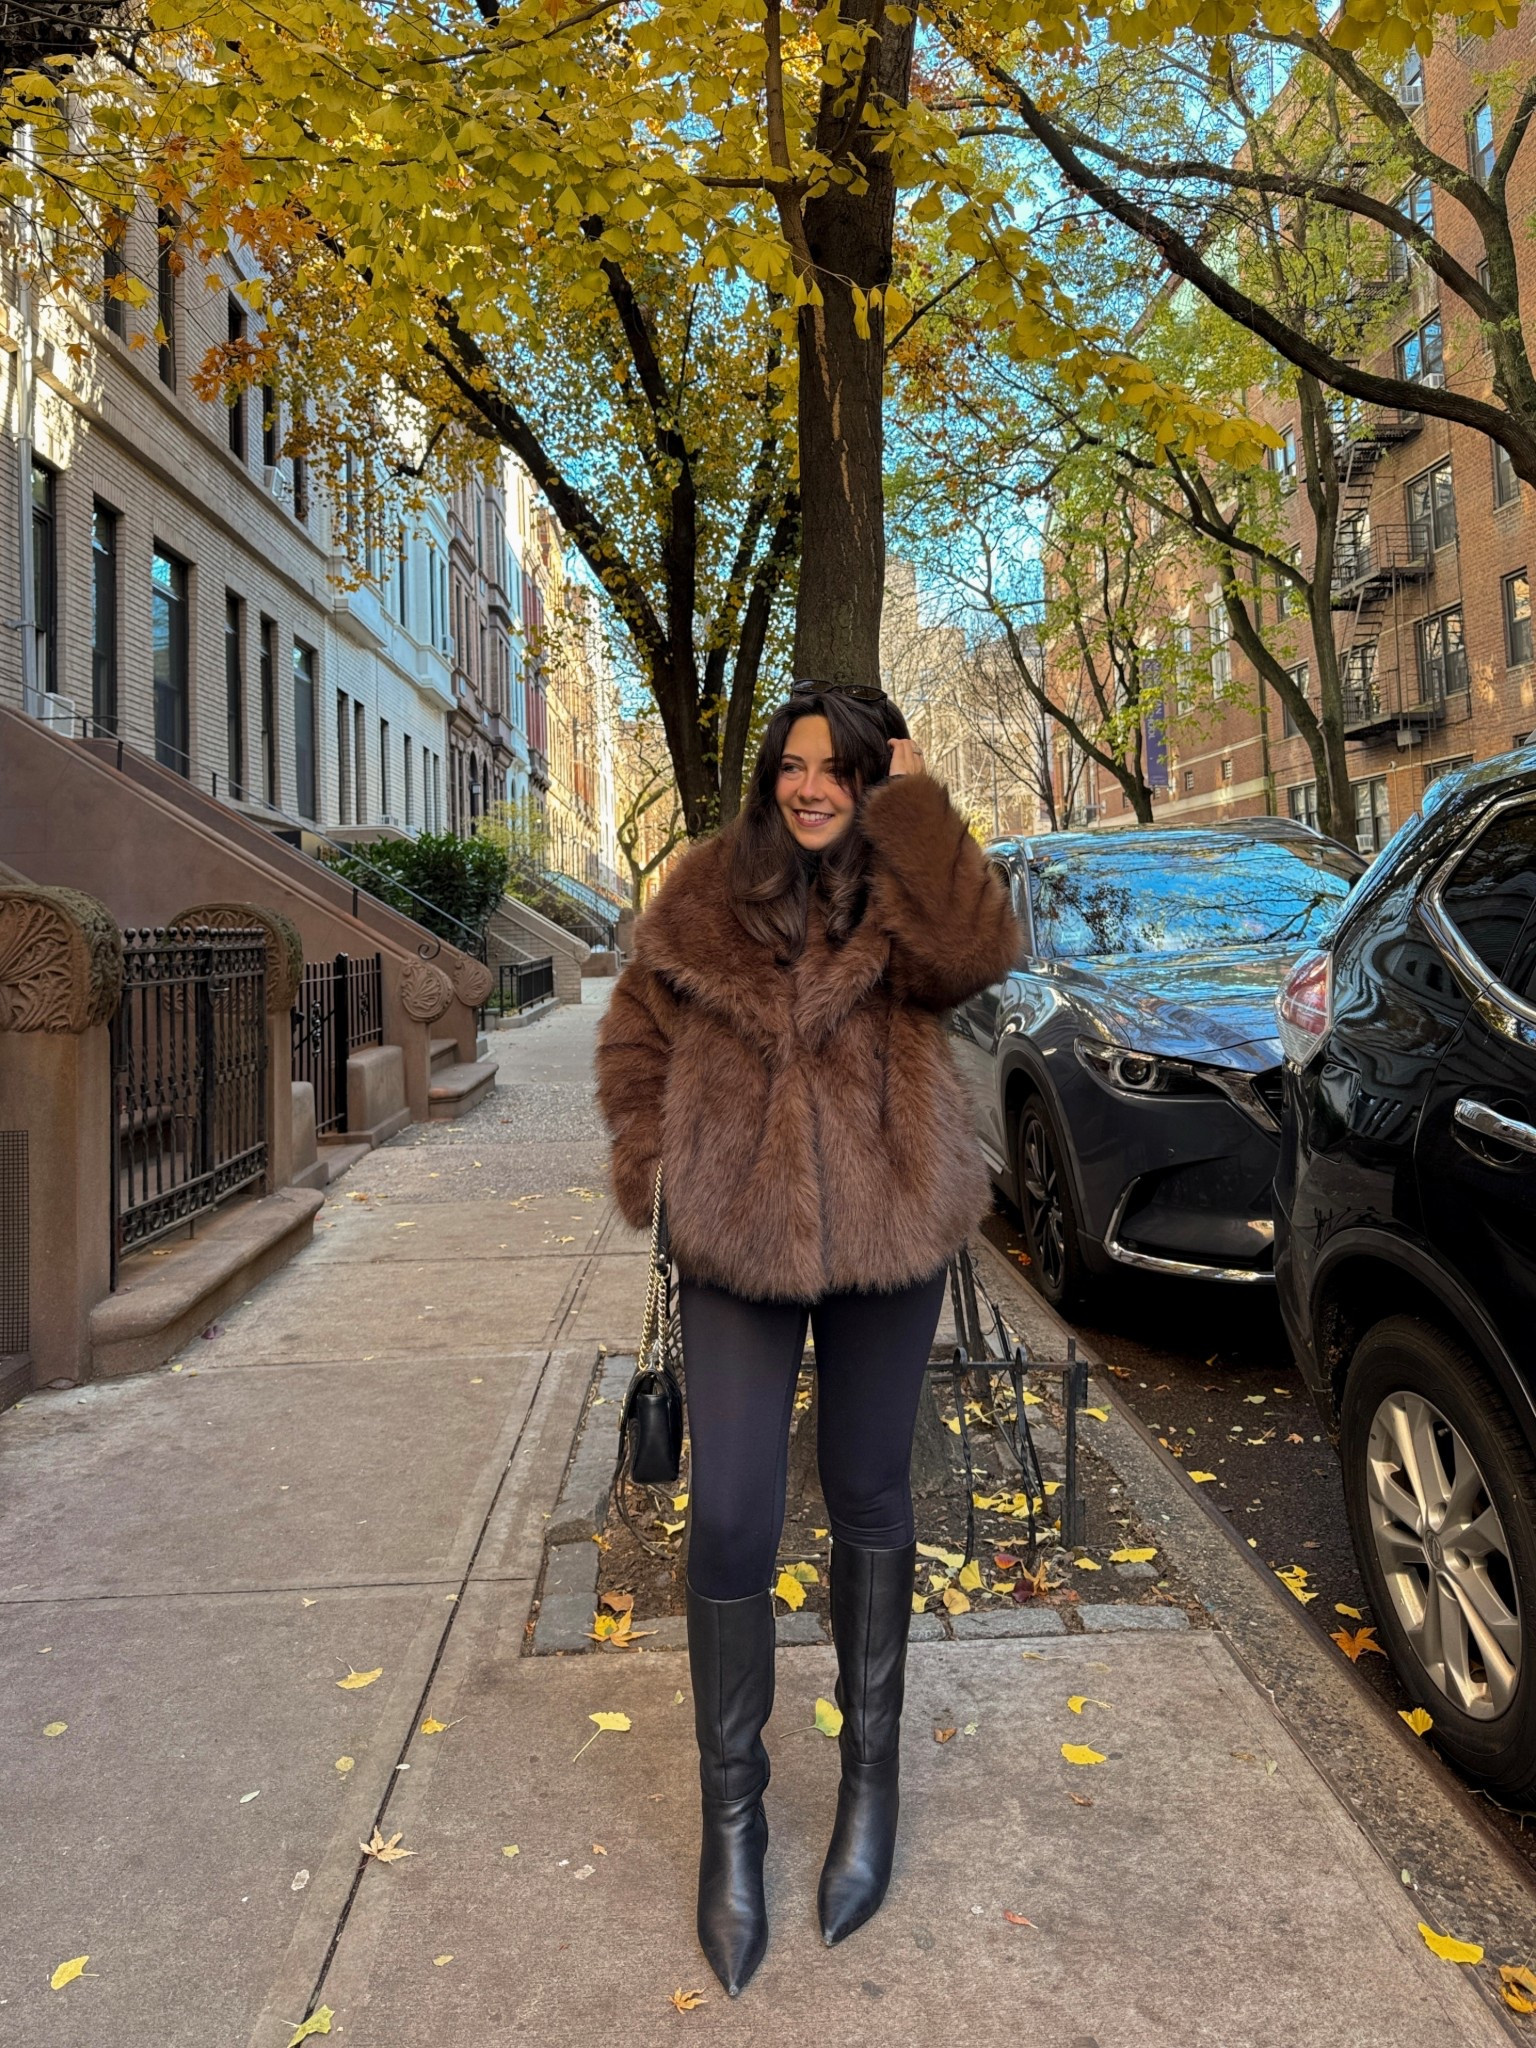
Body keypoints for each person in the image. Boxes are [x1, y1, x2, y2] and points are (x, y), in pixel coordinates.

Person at [595, 680, 1020, 1996]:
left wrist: (914, 797)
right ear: (768, 774)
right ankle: (734, 1822)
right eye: (795, 765)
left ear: (873, 773)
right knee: (728, 1514)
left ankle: (869, 1793)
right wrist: (651, 1158)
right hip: (735, 1238)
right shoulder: (704, 889)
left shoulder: (910, 885)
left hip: (891, 1232)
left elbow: (976, 954)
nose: (812, 786)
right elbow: (631, 1031)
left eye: (841, 768)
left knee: (870, 1493)